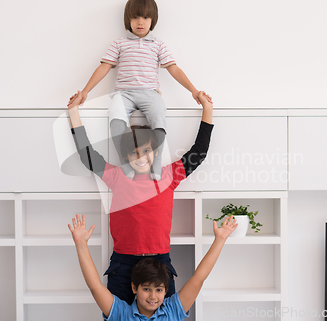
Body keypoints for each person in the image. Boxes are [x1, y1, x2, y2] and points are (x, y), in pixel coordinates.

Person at [67, 92, 214, 304]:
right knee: (116, 316)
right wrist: (73, 112)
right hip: (124, 263)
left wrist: (207, 110)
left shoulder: (169, 175)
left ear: (155, 152)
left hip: (159, 261)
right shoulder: (117, 177)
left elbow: (199, 152)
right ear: (126, 156)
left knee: (166, 317)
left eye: (147, 151)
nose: (141, 157)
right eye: (134, 153)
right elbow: (87, 155)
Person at [67, 0, 212, 180]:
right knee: (116, 121)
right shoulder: (119, 43)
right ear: (128, 19)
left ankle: (156, 163)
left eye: (145, 17)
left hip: (150, 93)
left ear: (153, 20)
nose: (140, 22)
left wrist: (193, 90)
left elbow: (173, 69)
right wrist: (86, 91)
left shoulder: (158, 45)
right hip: (123, 94)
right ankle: (125, 162)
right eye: (135, 17)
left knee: (159, 119)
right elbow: (104, 68)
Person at [68, 214, 238, 320]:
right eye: (147, 289)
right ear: (134, 287)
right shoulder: (122, 314)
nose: (152, 296)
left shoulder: (172, 310)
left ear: (165, 291)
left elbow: (199, 278)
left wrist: (220, 240)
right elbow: (95, 287)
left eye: (158, 290)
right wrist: (81, 244)